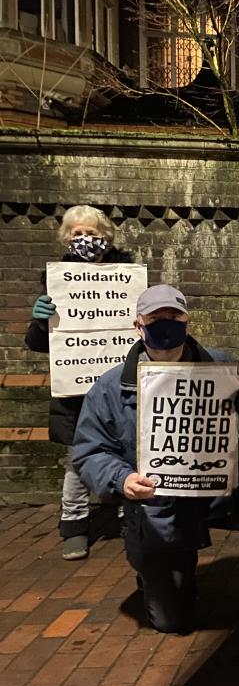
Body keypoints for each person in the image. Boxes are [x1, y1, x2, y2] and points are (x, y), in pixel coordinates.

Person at [72, 285, 239, 636]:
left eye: (173, 317)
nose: (165, 324)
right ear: (138, 325)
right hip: (156, 503)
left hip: (215, 488)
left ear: (187, 322)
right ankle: (156, 572)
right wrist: (122, 479)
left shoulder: (222, 367)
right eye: (154, 318)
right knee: (171, 621)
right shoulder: (111, 387)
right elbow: (89, 451)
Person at [25, 205, 133, 560]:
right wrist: (42, 320)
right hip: (75, 394)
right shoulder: (56, 280)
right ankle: (73, 524)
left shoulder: (127, 275)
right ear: (66, 237)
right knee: (78, 460)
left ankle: (127, 514)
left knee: (127, 450)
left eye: (92, 232)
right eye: (76, 233)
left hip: (120, 389)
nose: (85, 239)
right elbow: (41, 344)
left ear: (107, 236)